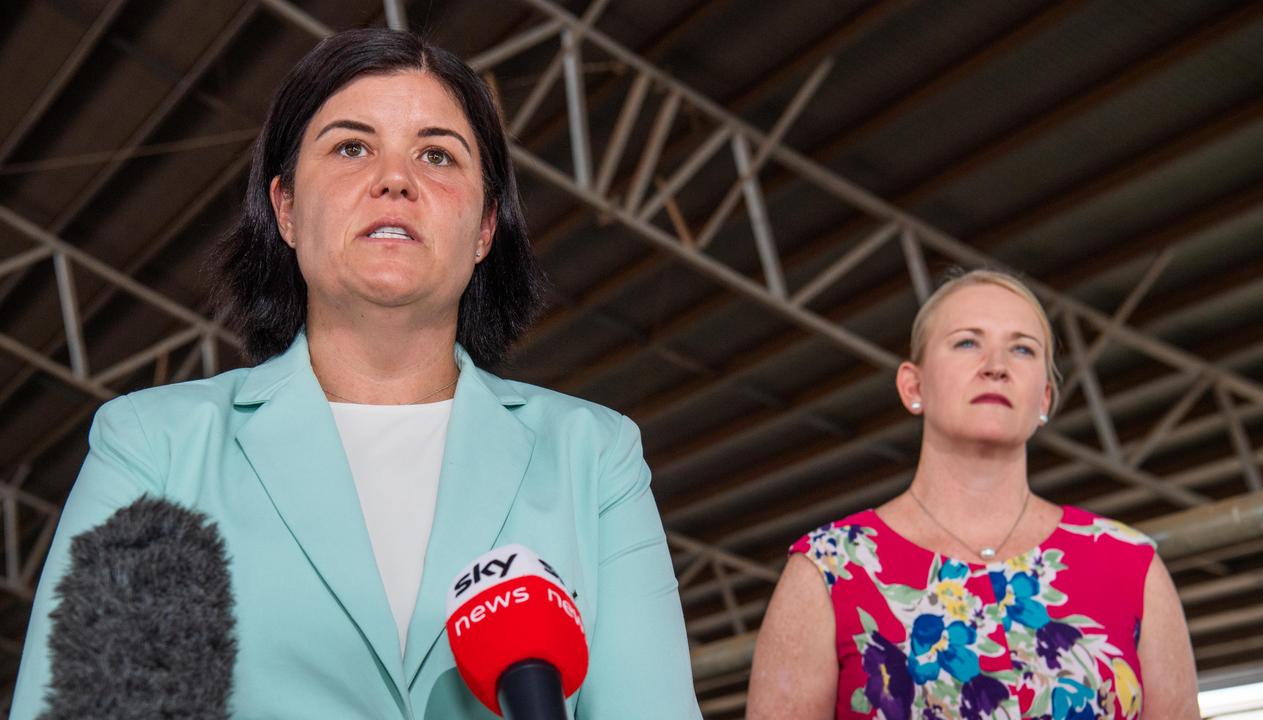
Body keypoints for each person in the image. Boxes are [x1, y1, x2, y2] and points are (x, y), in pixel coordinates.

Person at [12, 28, 701, 719]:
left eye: (437, 155)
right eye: (351, 147)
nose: (395, 179)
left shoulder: (594, 456)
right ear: (285, 209)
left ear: (486, 227)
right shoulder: (153, 446)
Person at [746, 270, 1199, 719]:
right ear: (913, 386)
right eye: (967, 342)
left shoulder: (1130, 566)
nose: (996, 366)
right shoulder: (829, 569)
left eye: (1022, 349)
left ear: (1044, 399)